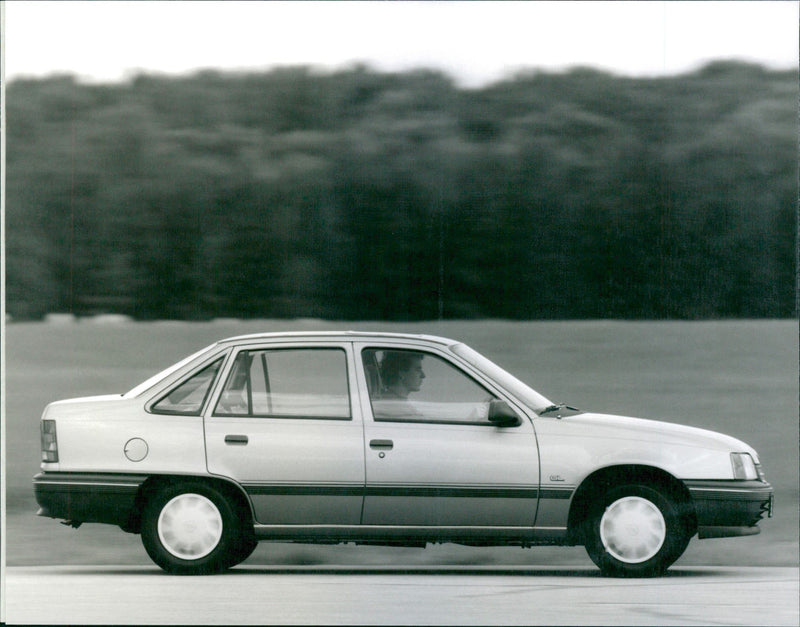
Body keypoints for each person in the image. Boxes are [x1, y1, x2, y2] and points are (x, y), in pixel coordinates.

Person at [371, 351, 425, 419]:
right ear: (401, 373)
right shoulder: (390, 407)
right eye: (418, 369)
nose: (423, 375)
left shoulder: (399, 403)